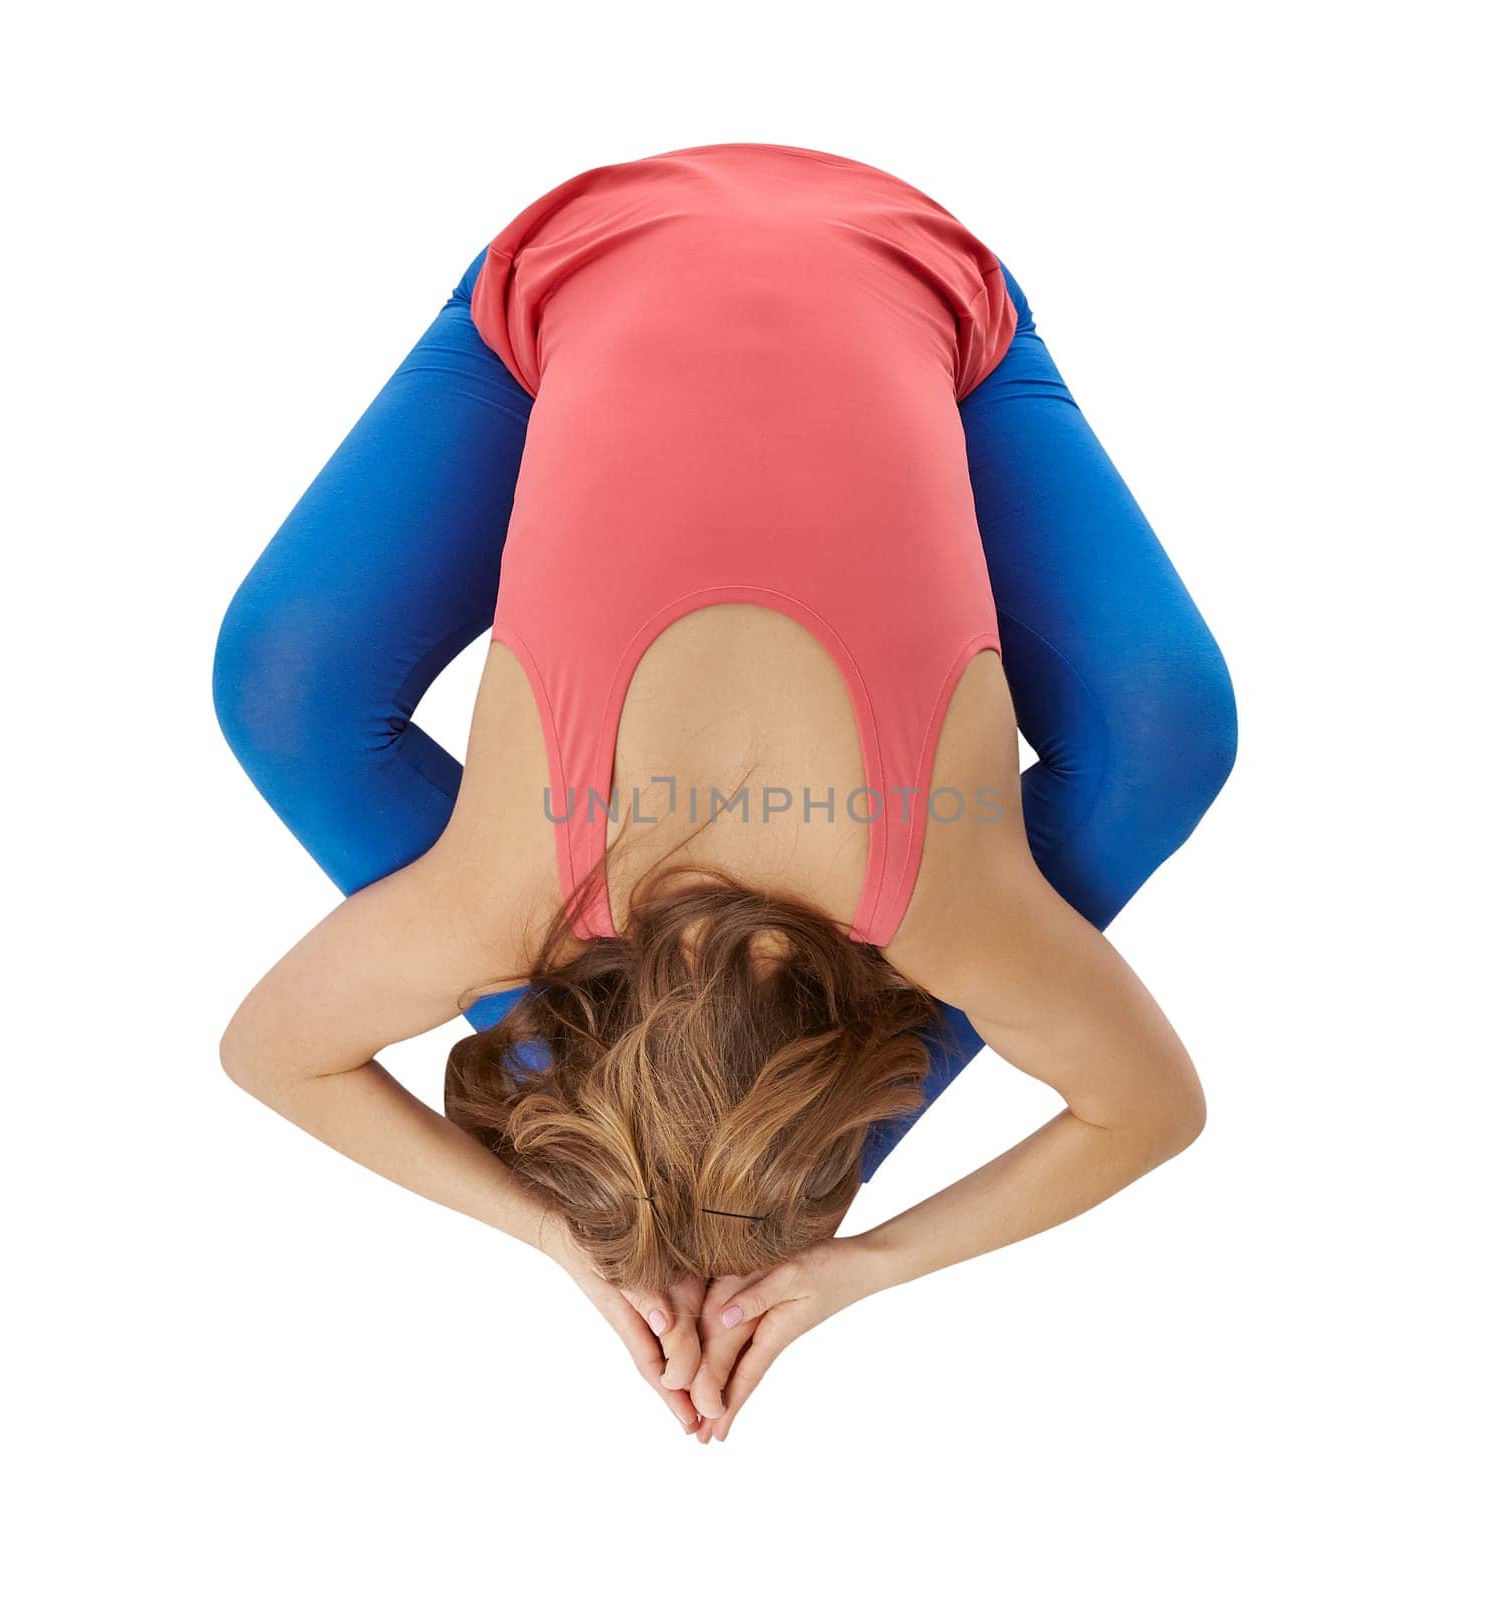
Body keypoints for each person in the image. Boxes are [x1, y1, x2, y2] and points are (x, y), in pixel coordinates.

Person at [213, 142, 1237, 1442]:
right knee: (278, 689)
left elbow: (1147, 1110)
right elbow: (268, 1058)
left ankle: (738, 1184)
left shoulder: (939, 903)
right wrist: (565, 1226)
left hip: (769, 258)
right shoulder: (512, 897)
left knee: (1180, 736)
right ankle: (709, 1178)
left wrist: (839, 1260)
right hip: (765, 257)